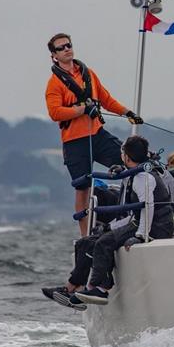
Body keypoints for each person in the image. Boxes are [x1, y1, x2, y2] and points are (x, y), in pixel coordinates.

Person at [42, 135, 174, 308]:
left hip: (155, 227)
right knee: (86, 243)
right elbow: (135, 214)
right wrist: (109, 226)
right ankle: (74, 288)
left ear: (126, 156)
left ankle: (99, 288)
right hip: (139, 221)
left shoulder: (144, 178)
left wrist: (141, 236)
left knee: (104, 242)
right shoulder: (133, 175)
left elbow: (146, 209)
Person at [44, 33, 143, 236]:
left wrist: (128, 113)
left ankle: (136, 217)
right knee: (82, 187)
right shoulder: (54, 84)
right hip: (74, 142)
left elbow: (106, 99)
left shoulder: (88, 74)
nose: (66, 49)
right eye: (61, 48)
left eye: (68, 45)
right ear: (54, 55)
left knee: (131, 163)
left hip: (97, 134)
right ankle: (85, 235)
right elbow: (55, 112)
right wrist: (80, 110)